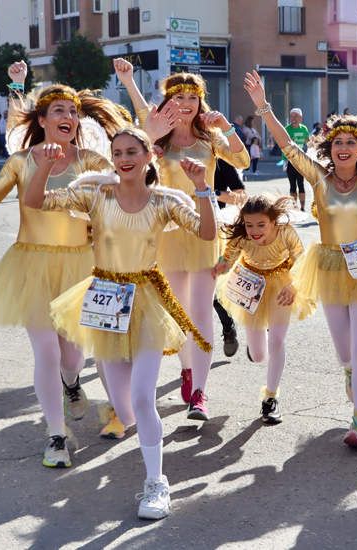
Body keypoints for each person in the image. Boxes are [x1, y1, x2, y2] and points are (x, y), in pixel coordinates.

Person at [24, 127, 217, 521]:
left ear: (148, 156)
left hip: (145, 298)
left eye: (132, 151)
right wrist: (43, 167)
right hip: (105, 301)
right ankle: (126, 423)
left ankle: (156, 484)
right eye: (117, 152)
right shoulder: (96, 194)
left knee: (145, 398)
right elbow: (36, 201)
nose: (124, 158)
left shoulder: (162, 201)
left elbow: (206, 231)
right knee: (126, 409)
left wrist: (202, 188)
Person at [0, 61, 133, 466]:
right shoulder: (23, 160)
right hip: (32, 263)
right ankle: (56, 435)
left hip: (81, 266)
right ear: (42, 119)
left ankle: (72, 384)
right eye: (59, 111)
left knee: (73, 357)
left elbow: (119, 194)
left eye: (73, 112)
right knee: (46, 352)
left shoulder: (91, 160)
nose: (69, 117)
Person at [245, 70, 357, 449]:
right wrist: (264, 107)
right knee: (344, 350)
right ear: (329, 147)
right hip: (331, 265)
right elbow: (288, 146)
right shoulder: (318, 178)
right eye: (338, 141)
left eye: (351, 142)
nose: (344, 147)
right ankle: (352, 373)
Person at [114, 58, 250, 421]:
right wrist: (128, 82)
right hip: (168, 234)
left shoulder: (210, 137)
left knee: (202, 313)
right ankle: (188, 373)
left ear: (201, 100)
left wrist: (226, 126)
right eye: (178, 96)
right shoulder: (156, 135)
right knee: (179, 313)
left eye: (193, 96)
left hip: (204, 231)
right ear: (168, 101)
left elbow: (244, 160)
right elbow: (138, 134)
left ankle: (200, 394)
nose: (186, 102)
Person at [213, 195, 314, 423]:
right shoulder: (242, 237)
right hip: (251, 285)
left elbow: (301, 259)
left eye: (261, 225)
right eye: (249, 225)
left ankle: (270, 398)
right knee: (259, 356)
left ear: (272, 221)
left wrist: (294, 286)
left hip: (282, 284)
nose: (254, 230)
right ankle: (257, 346)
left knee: (277, 341)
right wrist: (220, 266)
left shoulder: (285, 232)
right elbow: (227, 258)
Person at [213, 157, 247, 356]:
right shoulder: (174, 153)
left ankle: (257, 329)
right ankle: (228, 328)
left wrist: (211, 194)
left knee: (223, 283)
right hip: (183, 233)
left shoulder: (220, 159)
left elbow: (240, 197)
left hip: (219, 232)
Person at [283, 108, 311, 211]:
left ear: (300, 118)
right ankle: (294, 206)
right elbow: (283, 146)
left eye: (296, 116)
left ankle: (303, 207)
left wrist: (308, 155)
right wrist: (284, 161)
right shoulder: (286, 129)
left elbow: (308, 143)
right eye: (292, 116)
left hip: (301, 161)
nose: (293, 118)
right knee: (292, 185)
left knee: (301, 183)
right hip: (290, 161)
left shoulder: (304, 129)